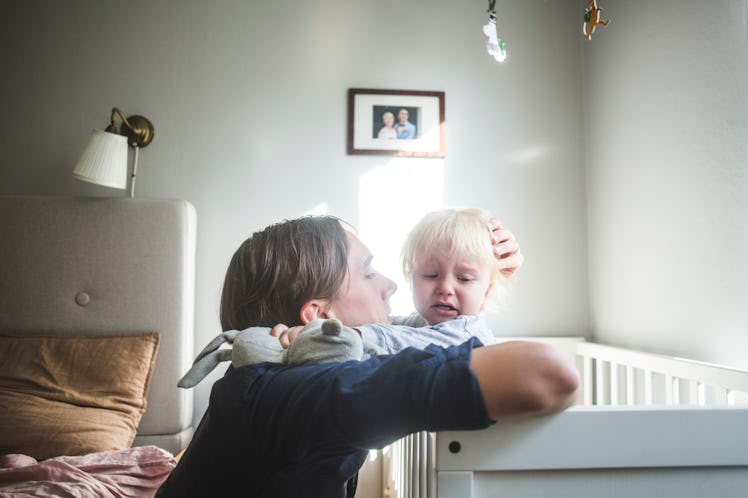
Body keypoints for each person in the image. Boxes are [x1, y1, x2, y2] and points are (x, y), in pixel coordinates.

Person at [156, 215, 578, 498]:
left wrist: (489, 277)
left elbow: (415, 334)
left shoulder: (263, 382)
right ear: (320, 317)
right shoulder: (313, 394)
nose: (391, 286)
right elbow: (549, 372)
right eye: (370, 272)